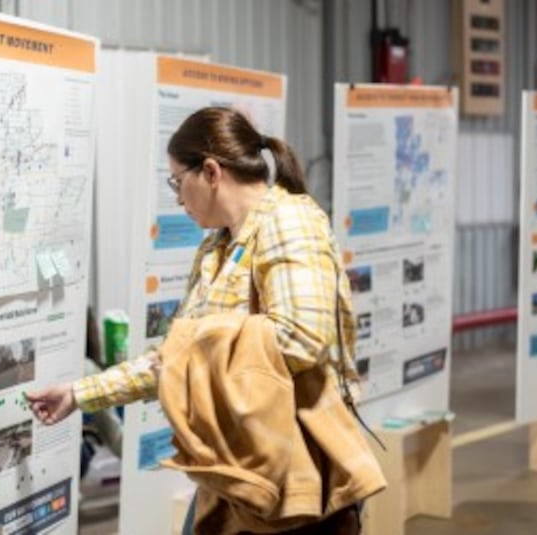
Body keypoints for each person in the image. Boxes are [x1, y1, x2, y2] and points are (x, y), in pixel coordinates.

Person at [26, 107, 384, 534]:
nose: (178, 199)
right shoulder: (216, 248)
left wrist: (197, 344)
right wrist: (79, 394)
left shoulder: (290, 221)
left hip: (291, 471)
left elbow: (301, 339)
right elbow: (174, 359)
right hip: (238, 464)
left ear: (212, 172)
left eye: (178, 182)